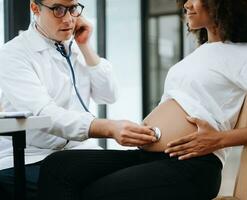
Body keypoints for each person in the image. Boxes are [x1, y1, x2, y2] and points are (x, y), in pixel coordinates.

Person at [37, 0, 247, 200]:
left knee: (100, 192)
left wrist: (219, 140)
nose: (187, 3)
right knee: (59, 166)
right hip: (148, 157)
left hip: (192, 166)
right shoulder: (201, 53)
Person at [0, 0, 157, 199]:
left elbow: (108, 95)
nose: (68, 19)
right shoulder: (13, 54)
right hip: (32, 158)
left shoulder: (73, 47)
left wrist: (85, 46)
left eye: (73, 8)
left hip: (79, 152)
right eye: (58, 9)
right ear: (35, 8)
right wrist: (109, 128)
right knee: (98, 191)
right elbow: (47, 114)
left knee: (141, 177)